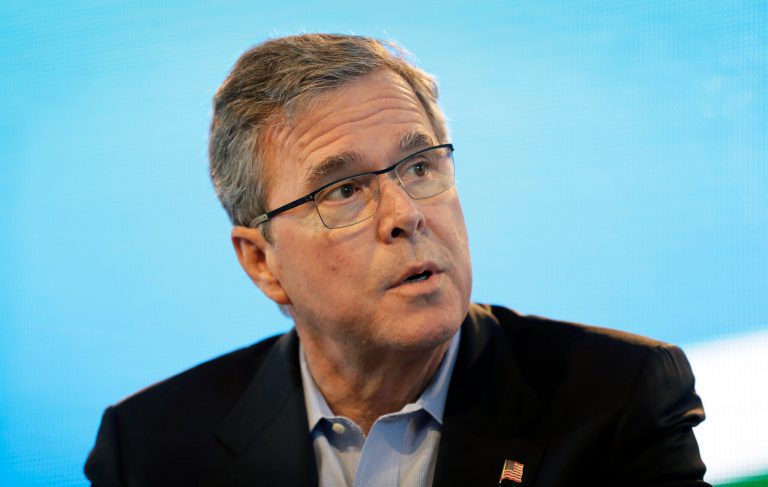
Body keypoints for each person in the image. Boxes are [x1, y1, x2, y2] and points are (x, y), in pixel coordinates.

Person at [84, 34, 709, 487]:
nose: (405, 213)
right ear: (261, 262)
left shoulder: (620, 399)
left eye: (419, 167)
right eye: (344, 190)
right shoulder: (149, 452)